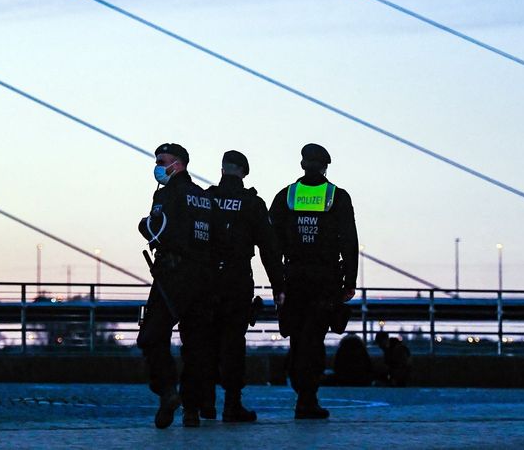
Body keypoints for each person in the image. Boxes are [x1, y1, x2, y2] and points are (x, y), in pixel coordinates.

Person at [269, 143, 359, 419]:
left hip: (294, 278)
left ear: (302, 164)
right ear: (324, 166)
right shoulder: (336, 197)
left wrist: (278, 282)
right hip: (324, 280)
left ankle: (301, 394)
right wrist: (350, 282)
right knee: (314, 338)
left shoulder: (287, 196)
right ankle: (308, 398)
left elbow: (272, 242)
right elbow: (350, 241)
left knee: (297, 338)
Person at [136, 143, 219, 429]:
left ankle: (168, 392)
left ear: (178, 164)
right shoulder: (204, 197)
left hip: (172, 275)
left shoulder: (167, 194)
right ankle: (192, 409)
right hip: (204, 278)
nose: (158, 166)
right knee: (196, 344)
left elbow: (157, 228)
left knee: (151, 336)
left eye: (162, 161)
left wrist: (143, 225)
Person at [202, 150, 284, 422]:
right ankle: (232, 405)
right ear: (244, 172)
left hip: (207, 279)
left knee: (206, 340)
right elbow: (269, 249)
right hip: (237, 280)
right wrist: (278, 285)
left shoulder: (206, 198)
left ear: (222, 169)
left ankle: (204, 403)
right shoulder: (252, 204)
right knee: (233, 343)